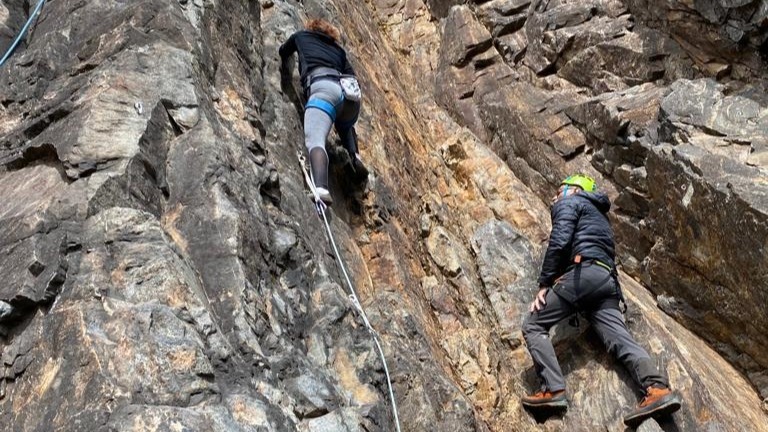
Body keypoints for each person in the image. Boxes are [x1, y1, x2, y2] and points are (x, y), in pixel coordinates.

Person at [521, 174, 681, 426]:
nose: (555, 195)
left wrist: (544, 284)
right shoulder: (599, 216)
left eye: (559, 189)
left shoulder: (570, 203)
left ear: (573, 190)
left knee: (533, 324)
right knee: (620, 339)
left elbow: (560, 241)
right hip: (607, 281)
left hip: (583, 275)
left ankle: (552, 389)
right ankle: (657, 388)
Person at [279, 18, 368, 206]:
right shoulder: (339, 51)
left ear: (311, 28)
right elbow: (352, 76)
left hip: (323, 88)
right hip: (349, 97)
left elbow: (283, 51)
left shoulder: (301, 36)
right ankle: (355, 155)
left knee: (315, 139)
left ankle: (321, 189)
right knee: (345, 123)